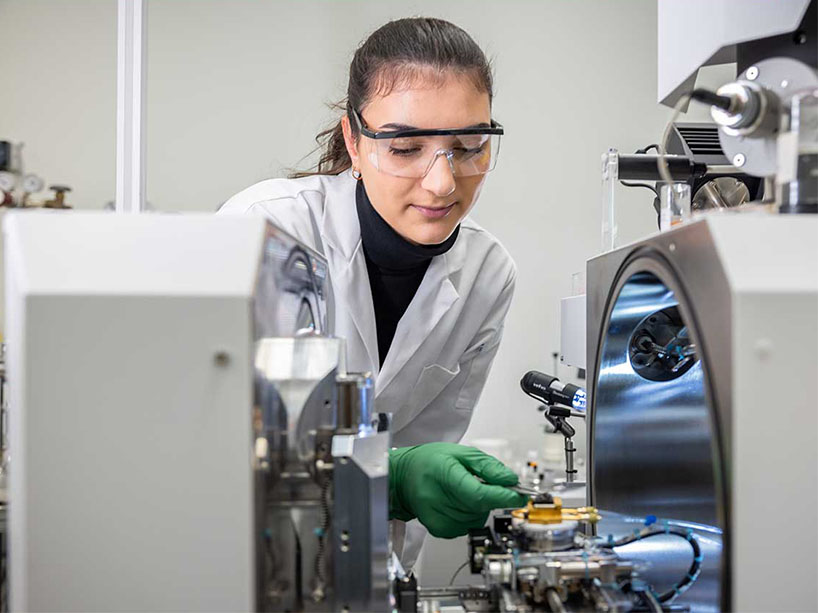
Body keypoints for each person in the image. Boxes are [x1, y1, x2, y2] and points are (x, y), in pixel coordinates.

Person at [219, 16, 527, 564]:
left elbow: (423, 446)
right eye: (405, 148)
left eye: (470, 145)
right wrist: (395, 476)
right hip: (234, 559)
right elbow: (212, 446)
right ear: (354, 143)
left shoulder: (487, 272)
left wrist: (412, 482)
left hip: (361, 564)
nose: (442, 182)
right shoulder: (262, 231)